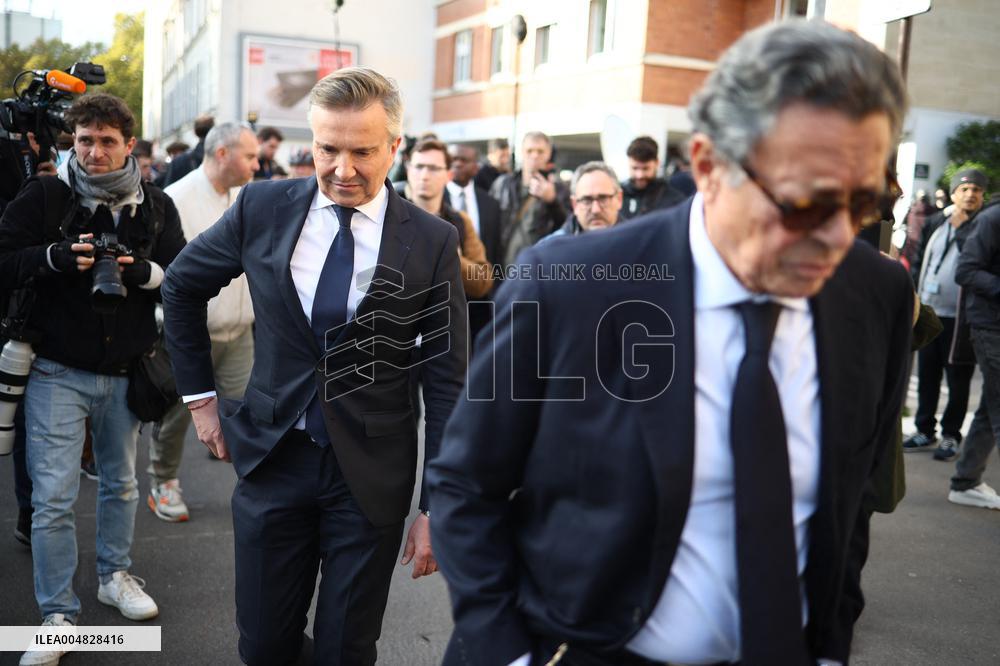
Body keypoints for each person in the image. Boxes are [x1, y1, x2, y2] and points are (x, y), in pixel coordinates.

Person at [428, 19, 911, 666]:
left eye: (863, 203)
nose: (836, 236)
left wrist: (828, 645)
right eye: (804, 203)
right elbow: (466, 483)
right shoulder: (570, 285)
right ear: (710, 167)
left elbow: (851, 504)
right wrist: (510, 653)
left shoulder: (876, 294)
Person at [161, 67, 466, 665]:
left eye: (363, 151)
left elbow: (448, 381)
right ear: (312, 141)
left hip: (371, 480)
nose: (343, 169)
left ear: (395, 147)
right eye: (329, 149)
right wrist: (201, 402)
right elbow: (180, 287)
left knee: (346, 650)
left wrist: (437, 506)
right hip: (273, 462)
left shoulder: (431, 240)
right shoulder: (262, 207)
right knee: (265, 646)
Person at [0, 93, 186, 666]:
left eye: (107, 141)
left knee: (122, 486)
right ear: (70, 142)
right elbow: (3, 258)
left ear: (129, 144)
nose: (95, 151)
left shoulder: (154, 207)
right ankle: (58, 616)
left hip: (127, 373)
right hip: (56, 370)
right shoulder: (48, 195)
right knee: (53, 498)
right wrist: (53, 258)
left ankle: (115, 576)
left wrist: (144, 271)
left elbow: (182, 276)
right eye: (84, 140)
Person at [147, 123, 260, 522]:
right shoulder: (176, 199)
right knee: (178, 417)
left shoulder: (246, 197)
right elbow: (170, 277)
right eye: (250, 156)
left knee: (251, 414)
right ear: (223, 154)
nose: (258, 163)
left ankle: (259, 489)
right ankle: (163, 482)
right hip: (190, 336)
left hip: (239, 331)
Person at [903, 168, 986, 459]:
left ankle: (950, 435)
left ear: (983, 196)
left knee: (958, 378)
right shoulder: (936, 222)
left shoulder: (983, 226)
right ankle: (924, 429)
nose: (970, 195)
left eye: (976, 190)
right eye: (964, 189)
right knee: (927, 374)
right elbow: (916, 260)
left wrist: (964, 229)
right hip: (930, 311)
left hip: (961, 317)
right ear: (953, 193)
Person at [949, 201, 1000, 509]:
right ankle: (965, 482)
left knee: (989, 406)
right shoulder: (993, 218)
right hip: (990, 326)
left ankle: (965, 482)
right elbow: (965, 270)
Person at [490, 131, 569, 267]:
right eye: (529, 150)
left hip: (540, 266)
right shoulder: (502, 184)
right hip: (502, 266)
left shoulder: (559, 188)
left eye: (540, 151)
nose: (534, 155)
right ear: (522, 152)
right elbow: (489, 224)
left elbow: (568, 228)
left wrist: (552, 201)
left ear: (549, 154)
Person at [539, 161, 623, 243]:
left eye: (603, 199)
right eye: (586, 201)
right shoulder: (551, 250)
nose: (595, 210)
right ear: (574, 205)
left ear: (619, 199)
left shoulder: (635, 243)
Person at [619, 136, 686, 220]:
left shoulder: (674, 200)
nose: (639, 175)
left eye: (645, 168)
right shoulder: (616, 196)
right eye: (635, 168)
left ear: (657, 163)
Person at [163, 114, 214, 186]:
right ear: (213, 130)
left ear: (194, 132)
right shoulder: (221, 158)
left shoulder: (178, 162)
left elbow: (167, 191)